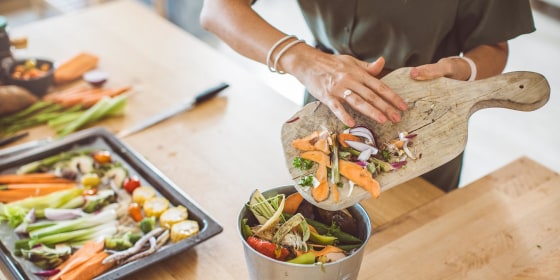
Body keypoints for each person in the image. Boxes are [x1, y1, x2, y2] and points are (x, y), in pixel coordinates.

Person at [200, 0, 535, 192]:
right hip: (327, 106)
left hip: (426, 123)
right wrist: (303, 60)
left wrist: (462, 69)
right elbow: (218, 9)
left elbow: (493, 44)